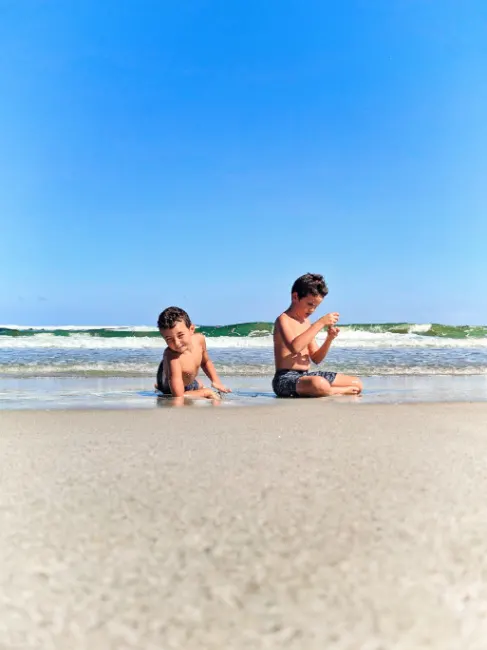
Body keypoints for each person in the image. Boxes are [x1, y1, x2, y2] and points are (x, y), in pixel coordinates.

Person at [272, 273, 362, 397]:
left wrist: (329, 339)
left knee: (357, 383)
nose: (312, 310)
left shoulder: (306, 323)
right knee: (319, 383)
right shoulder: (283, 319)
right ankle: (334, 391)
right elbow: (295, 347)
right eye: (310, 304)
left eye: (316, 306)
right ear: (295, 297)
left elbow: (316, 358)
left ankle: (324, 389)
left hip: (305, 376)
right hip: (285, 379)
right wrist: (320, 323)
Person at [155, 306, 231, 400]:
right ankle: (159, 386)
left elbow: (205, 362)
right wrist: (205, 392)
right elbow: (178, 396)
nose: (177, 343)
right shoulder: (173, 357)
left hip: (189, 383)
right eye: (169, 339)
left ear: (191, 329)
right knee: (197, 389)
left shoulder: (199, 340)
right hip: (170, 387)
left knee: (199, 384)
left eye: (180, 335)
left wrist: (216, 381)